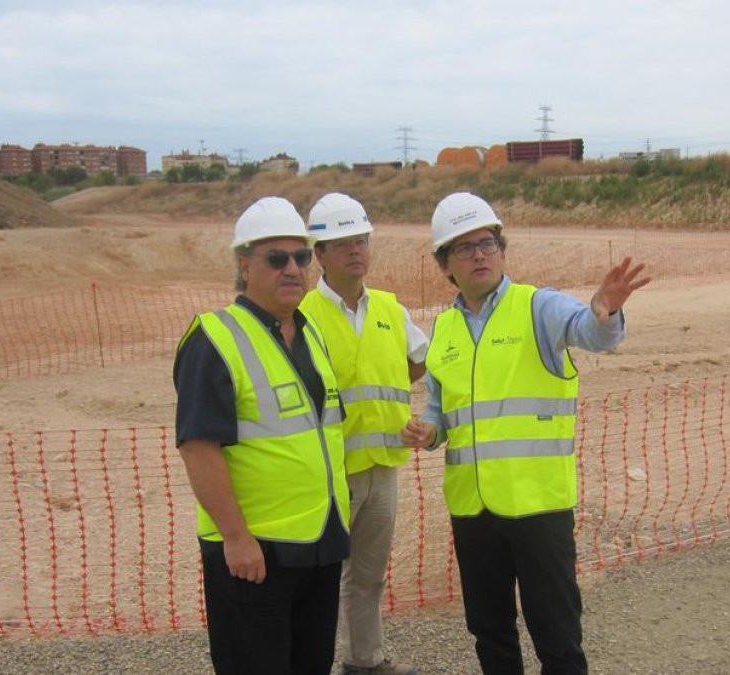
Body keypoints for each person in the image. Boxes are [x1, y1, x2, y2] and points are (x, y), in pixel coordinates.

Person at [400, 192, 650, 675]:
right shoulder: (444, 330)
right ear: (444, 264)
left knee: (556, 634)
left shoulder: (537, 307)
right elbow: (440, 413)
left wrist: (605, 310)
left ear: (502, 249)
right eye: (464, 247)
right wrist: (427, 431)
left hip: (538, 506)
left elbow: (592, 332)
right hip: (472, 508)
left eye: (488, 242)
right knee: (490, 632)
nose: (479, 254)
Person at [174, 196, 350, 675]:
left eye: (301, 256)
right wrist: (236, 538)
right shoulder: (215, 338)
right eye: (277, 258)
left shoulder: (310, 335)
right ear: (244, 265)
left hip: (319, 543)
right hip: (255, 553)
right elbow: (198, 446)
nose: (292, 268)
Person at [298, 193, 426, 675]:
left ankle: (365, 661)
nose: (355, 250)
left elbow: (421, 360)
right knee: (320, 576)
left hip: (384, 467)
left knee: (368, 575)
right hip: (329, 472)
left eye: (361, 240)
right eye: (341, 242)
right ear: (320, 255)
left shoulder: (391, 310)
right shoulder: (304, 315)